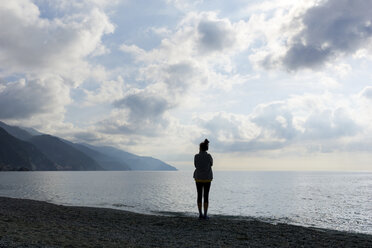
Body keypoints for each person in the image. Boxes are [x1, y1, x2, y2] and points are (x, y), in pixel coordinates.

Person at [193, 139, 213, 219]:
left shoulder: (196, 156)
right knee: (206, 196)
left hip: (198, 178)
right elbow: (211, 164)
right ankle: (205, 215)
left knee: (199, 195)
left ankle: (200, 214)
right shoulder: (209, 156)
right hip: (207, 178)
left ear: (200, 148)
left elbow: (195, 165)